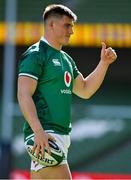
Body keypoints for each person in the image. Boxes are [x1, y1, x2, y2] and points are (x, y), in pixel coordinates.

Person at [17, 4, 117, 179]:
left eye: (72, 26)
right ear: (51, 25)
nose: (71, 31)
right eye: (67, 25)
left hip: (59, 137)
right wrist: (39, 132)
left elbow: (85, 90)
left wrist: (104, 63)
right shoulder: (35, 54)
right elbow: (23, 94)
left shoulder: (67, 60)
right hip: (47, 136)